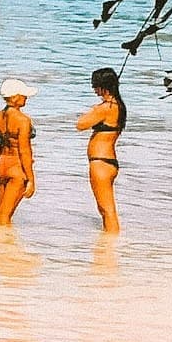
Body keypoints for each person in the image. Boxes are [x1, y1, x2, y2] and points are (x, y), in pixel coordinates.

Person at [76, 66, 125, 233]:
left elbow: (80, 124)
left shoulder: (105, 108)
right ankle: (108, 240)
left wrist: (95, 109)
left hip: (100, 162)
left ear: (104, 86)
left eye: (95, 85)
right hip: (108, 161)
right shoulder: (119, 106)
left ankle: (112, 242)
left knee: (107, 209)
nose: (94, 89)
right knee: (105, 208)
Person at [0, 77, 37, 225]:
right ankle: (5, 239)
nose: (26, 98)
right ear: (15, 97)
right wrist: (31, 179)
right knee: (5, 217)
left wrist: (0, 165)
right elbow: (24, 151)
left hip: (3, 163)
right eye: (24, 95)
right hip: (16, 167)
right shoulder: (23, 120)